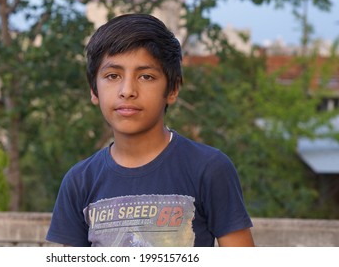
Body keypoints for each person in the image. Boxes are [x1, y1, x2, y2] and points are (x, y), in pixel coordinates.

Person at [46, 13, 254, 247]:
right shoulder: (80, 181)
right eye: (112, 76)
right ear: (94, 90)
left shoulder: (209, 169)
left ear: (173, 89)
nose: (127, 90)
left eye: (146, 76)